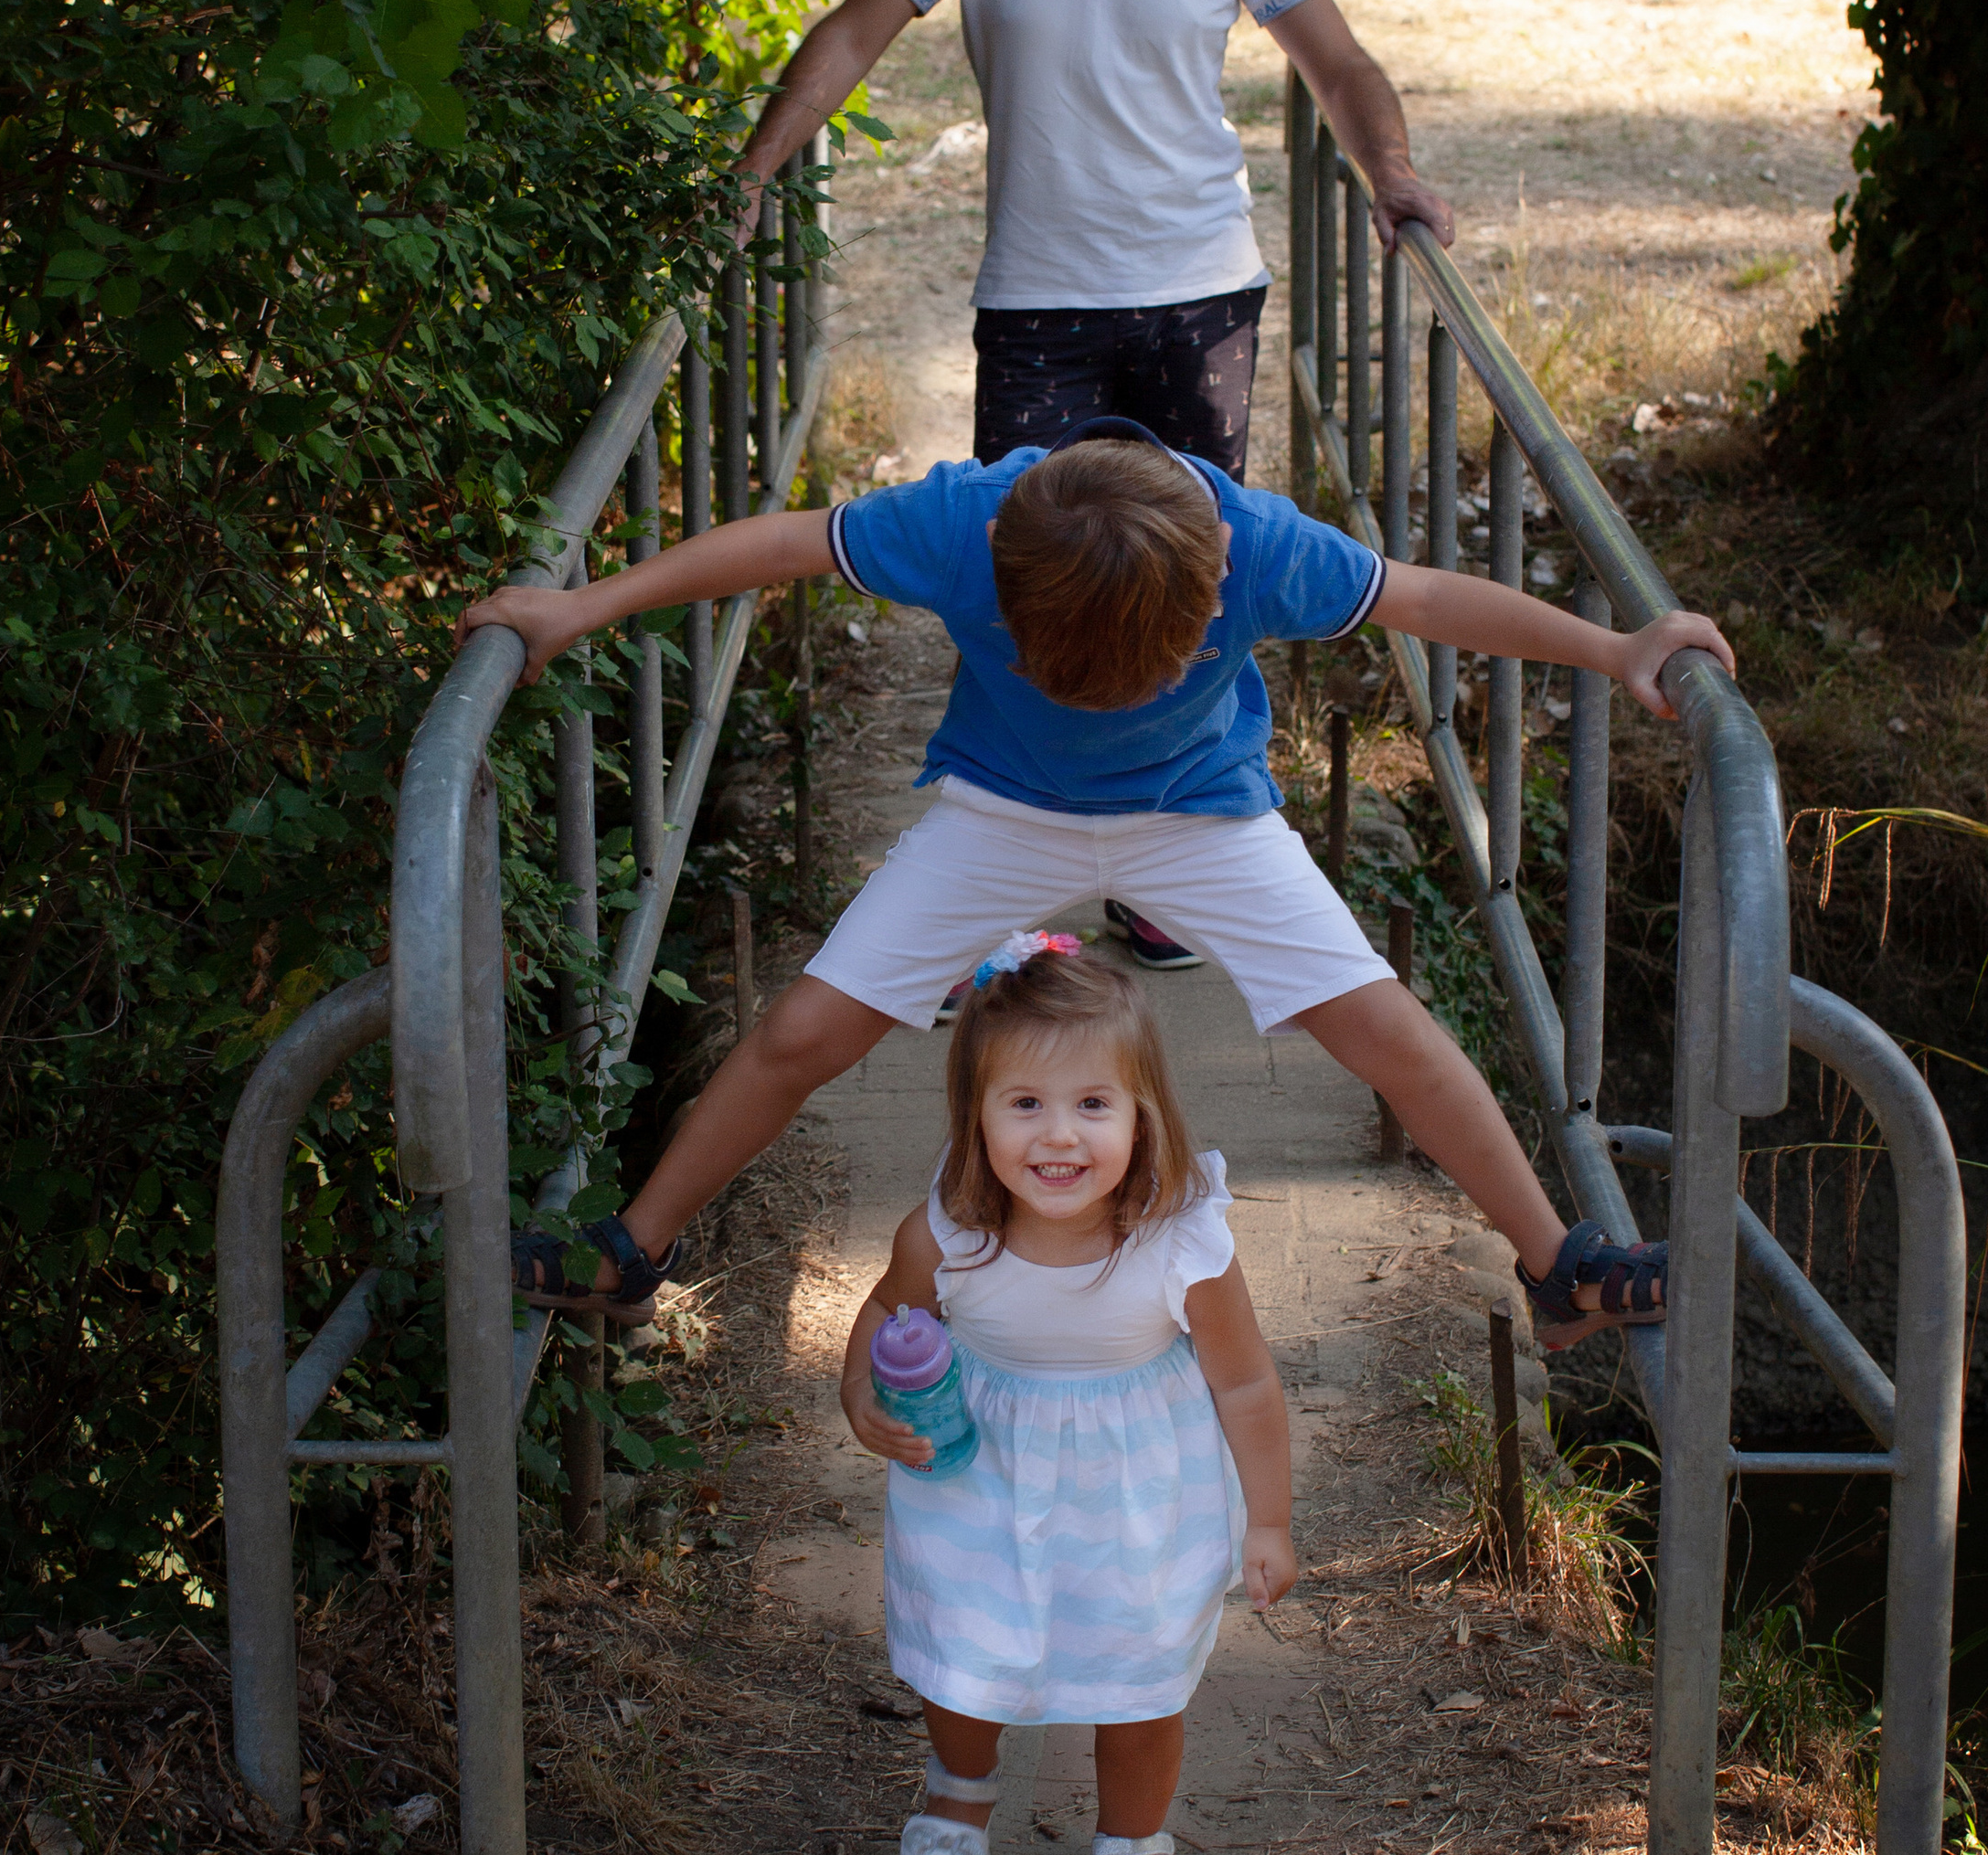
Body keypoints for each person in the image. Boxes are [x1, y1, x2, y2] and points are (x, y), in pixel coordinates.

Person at [473, 422, 1720, 1353]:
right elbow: (784, 543)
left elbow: (1425, 597)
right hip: (1006, 809)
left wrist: (1618, 648)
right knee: (804, 1029)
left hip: (1200, 810)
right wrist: (582, 608)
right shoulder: (965, 523)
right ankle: (631, 1251)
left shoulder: (1252, 541)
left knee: (1386, 1028)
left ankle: (1559, 1267)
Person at [728, 0, 1449, 972]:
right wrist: (756, 170)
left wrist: (1391, 174)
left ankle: (1168, 877)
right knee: (1021, 574)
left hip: (1200, 296)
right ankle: (993, 895)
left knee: (1192, 578)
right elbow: (853, 30)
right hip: (1042, 302)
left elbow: (1339, 63)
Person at [840, 935, 1290, 1855]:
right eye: (1025, 1104)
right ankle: (958, 1792)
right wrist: (859, 1392)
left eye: (1094, 1105)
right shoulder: (949, 1233)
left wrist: (1268, 1520)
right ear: (976, 1114)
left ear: (1144, 1115)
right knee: (965, 1646)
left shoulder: (1181, 1243)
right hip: (973, 1473)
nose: (1059, 1137)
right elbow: (883, 1312)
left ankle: (1132, 1843)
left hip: (1137, 1494)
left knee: (1138, 1673)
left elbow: (1247, 1383)